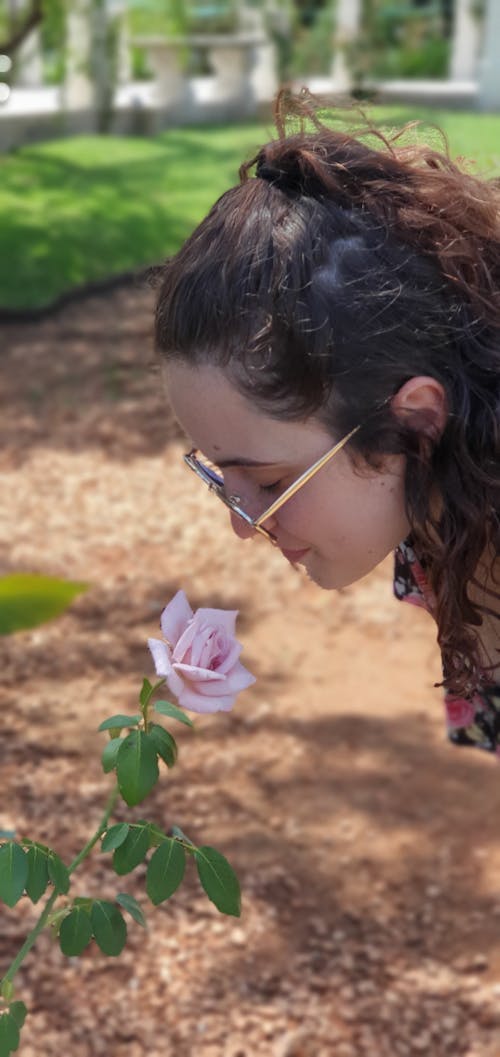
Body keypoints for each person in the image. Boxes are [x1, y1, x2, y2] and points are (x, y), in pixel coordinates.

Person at [153, 93, 500, 755]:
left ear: (417, 423)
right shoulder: (442, 503)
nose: (243, 522)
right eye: (218, 475)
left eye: (273, 480)